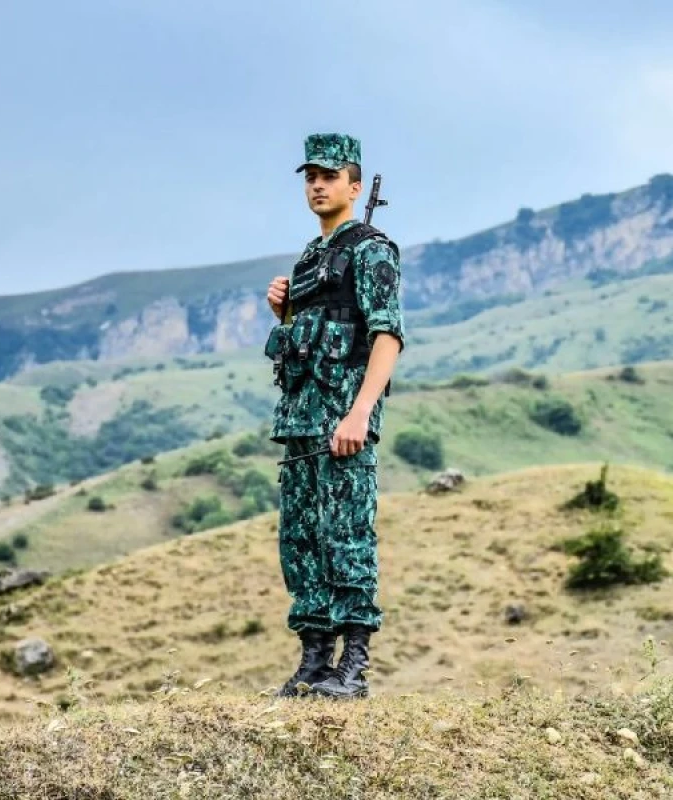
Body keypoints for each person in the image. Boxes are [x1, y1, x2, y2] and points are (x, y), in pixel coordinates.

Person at [263, 132, 404, 698]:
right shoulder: (311, 258)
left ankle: (354, 667)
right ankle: (315, 660)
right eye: (310, 177)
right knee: (301, 541)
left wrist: (360, 413)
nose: (317, 185)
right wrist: (285, 311)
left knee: (346, 538)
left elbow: (387, 336)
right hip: (301, 425)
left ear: (353, 184)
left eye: (329, 176)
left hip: (342, 425)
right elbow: (308, 342)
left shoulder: (372, 249)